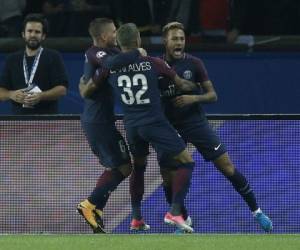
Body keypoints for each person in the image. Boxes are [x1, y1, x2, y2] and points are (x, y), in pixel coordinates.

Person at [131, 21, 273, 233]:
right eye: (175, 39)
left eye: (182, 38)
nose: (179, 42)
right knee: (168, 178)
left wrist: (192, 99)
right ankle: (183, 219)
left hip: (196, 124)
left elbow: (212, 95)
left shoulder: (195, 63)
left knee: (227, 167)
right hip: (169, 129)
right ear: (165, 42)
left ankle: (257, 211)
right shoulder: (155, 66)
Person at [92, 22, 201, 233]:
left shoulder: (111, 66)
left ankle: (136, 218)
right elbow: (181, 84)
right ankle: (175, 211)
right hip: (154, 122)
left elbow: (92, 87)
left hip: (132, 126)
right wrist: (194, 87)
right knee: (186, 162)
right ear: (138, 41)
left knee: (139, 168)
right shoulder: (153, 63)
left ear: (119, 43)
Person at [76, 18, 147, 234]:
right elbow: (111, 64)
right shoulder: (94, 53)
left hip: (101, 120)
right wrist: (137, 53)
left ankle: (96, 208)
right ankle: (89, 204)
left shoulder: (111, 51)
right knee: (125, 166)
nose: (116, 35)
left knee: (115, 167)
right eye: (114, 31)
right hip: (98, 122)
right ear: (104, 36)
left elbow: (119, 58)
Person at [0, 13, 68, 115]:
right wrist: (11, 94)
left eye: (37, 32)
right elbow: (1, 91)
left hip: (48, 120)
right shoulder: (12, 59)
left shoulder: (53, 57)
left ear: (43, 36)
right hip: (18, 121)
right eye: (29, 31)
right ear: (23, 34)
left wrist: (41, 96)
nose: (33, 35)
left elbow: (62, 90)